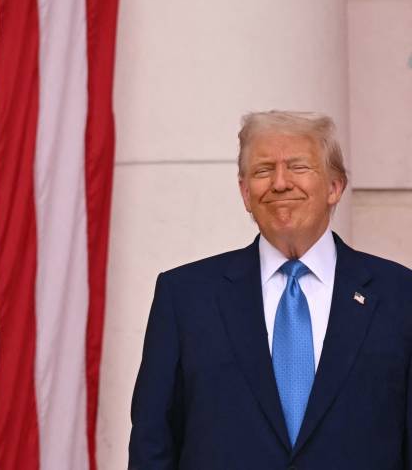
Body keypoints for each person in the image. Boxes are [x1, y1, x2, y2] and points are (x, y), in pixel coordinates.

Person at [129, 110, 412, 469]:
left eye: (298, 167)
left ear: (334, 187)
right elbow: (152, 444)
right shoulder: (184, 297)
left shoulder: (400, 297)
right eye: (263, 171)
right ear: (246, 193)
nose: (280, 183)